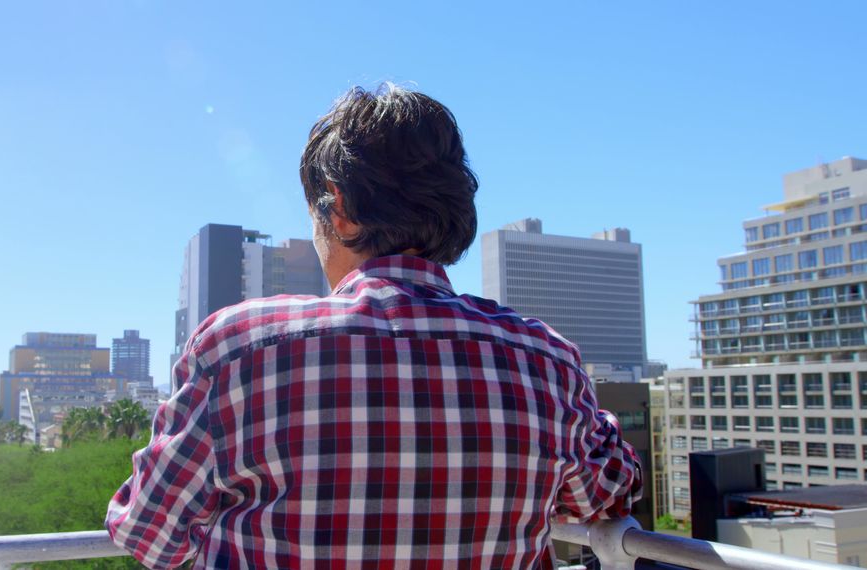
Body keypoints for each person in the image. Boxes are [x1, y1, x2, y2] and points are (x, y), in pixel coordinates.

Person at [107, 84, 642, 568]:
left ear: (337, 209)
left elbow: (149, 532)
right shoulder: (545, 360)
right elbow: (607, 493)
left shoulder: (238, 347)